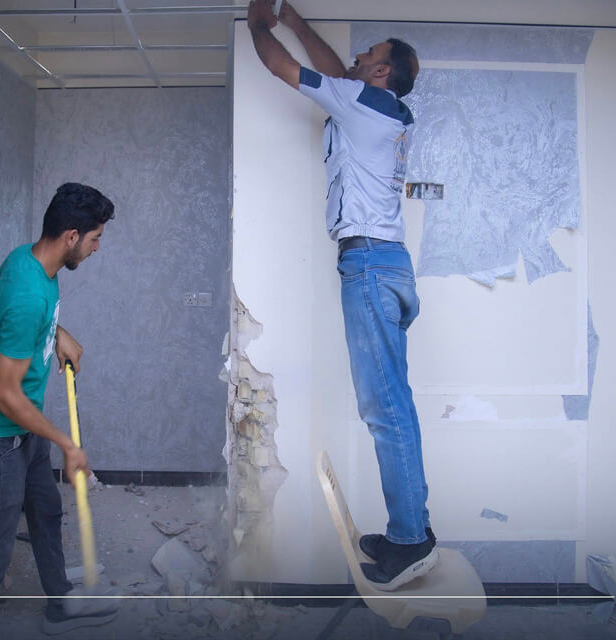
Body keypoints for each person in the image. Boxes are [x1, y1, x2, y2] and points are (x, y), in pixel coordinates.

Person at [247, 0, 436, 591]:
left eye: (368, 54)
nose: (358, 55)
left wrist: (260, 23)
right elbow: (340, 74)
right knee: (394, 404)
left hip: (370, 267)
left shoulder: (358, 102)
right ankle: (411, 529)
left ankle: (411, 539)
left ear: (380, 71)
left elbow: (280, 67)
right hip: (387, 265)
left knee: (386, 409)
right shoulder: (381, 106)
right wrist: (294, 20)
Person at [0, 183, 117, 638]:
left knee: (45, 512)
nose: (97, 248)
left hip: (26, 429)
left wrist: (58, 333)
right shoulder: (27, 294)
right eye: (95, 238)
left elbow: (26, 319)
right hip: (1, 437)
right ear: (71, 236)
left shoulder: (30, 262)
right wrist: (66, 443)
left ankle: (59, 605)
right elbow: (6, 395)